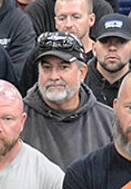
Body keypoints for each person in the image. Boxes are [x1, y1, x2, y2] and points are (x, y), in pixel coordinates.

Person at [21, 32, 117, 169]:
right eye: (46, 67)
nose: (54, 76)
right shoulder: (17, 118)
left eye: (63, 67)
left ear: (82, 72)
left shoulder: (108, 121)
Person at [83, 14, 131, 107]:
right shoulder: (79, 83)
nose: (112, 48)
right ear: (94, 48)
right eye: (105, 41)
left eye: (121, 42)